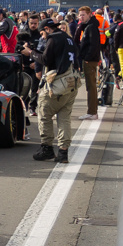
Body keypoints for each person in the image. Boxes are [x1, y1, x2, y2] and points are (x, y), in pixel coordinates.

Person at [34, 19, 81, 163]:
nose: (43, 37)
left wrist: (31, 53)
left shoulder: (53, 38)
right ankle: (63, 152)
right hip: (72, 82)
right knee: (64, 119)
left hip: (57, 85)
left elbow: (46, 59)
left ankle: (47, 148)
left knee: (44, 114)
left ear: (47, 29)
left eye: (42, 33)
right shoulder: (68, 38)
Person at [73, 5, 104, 120]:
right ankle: (92, 111)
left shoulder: (91, 27)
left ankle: (92, 112)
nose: (81, 17)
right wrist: (80, 26)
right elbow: (77, 40)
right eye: (80, 15)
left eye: (83, 15)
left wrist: (87, 57)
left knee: (91, 86)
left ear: (90, 14)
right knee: (90, 86)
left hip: (90, 60)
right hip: (89, 59)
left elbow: (94, 44)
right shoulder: (86, 26)